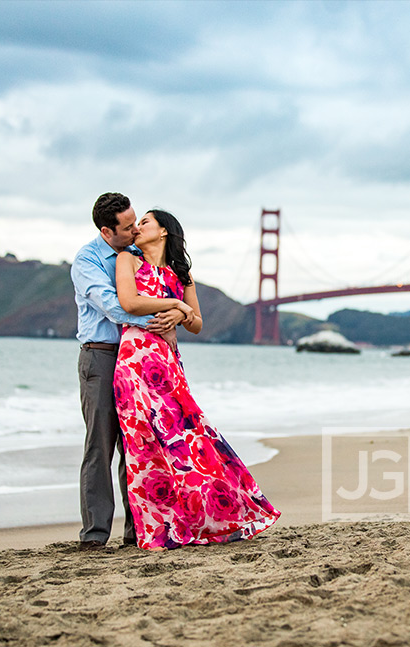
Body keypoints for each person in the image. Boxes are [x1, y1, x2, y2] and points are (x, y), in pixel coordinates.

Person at [114, 209, 280, 551]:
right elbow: (128, 303)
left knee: (189, 437)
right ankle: (160, 531)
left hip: (168, 363)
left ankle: (207, 516)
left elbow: (197, 323)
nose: (137, 227)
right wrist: (175, 305)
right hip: (134, 362)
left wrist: (181, 313)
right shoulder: (126, 261)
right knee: (143, 446)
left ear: (163, 232)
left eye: (145, 222)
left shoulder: (183, 274)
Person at [71, 193, 184, 551]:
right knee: (100, 445)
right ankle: (94, 534)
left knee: (138, 445)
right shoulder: (87, 261)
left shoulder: (135, 255)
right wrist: (163, 319)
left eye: (138, 221)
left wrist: (180, 313)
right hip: (102, 357)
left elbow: (163, 286)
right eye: (128, 226)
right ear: (107, 230)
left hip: (138, 359)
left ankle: (138, 532)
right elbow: (114, 306)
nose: (136, 229)